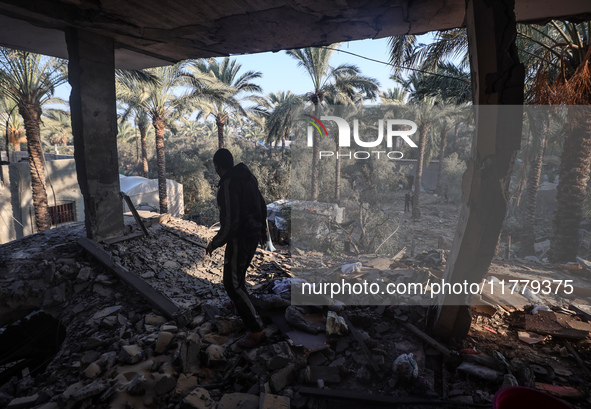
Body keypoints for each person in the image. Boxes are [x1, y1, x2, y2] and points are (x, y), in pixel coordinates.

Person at [206, 149, 268, 349]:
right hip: (253, 232)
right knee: (237, 274)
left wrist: (215, 242)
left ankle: (256, 330)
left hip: (241, 236)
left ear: (217, 166)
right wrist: (263, 233)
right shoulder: (247, 176)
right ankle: (237, 303)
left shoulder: (229, 183)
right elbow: (262, 204)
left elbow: (231, 221)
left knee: (232, 283)